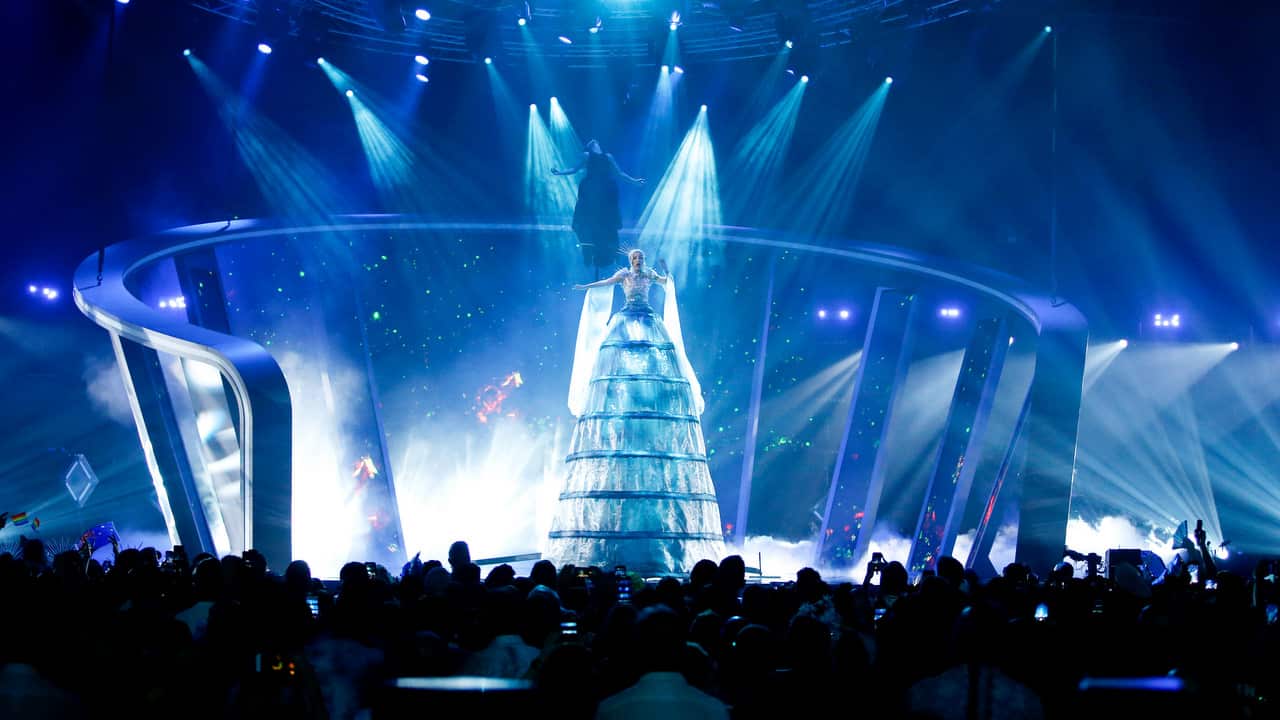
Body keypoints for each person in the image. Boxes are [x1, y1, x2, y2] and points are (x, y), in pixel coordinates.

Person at [548, 249, 724, 576]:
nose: (639, 262)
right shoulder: (624, 275)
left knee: (656, 373)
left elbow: (665, 282)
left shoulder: (646, 277)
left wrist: (666, 273)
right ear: (631, 259)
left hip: (648, 322)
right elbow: (605, 282)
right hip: (625, 322)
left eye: (641, 258)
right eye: (636, 258)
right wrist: (586, 287)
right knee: (615, 374)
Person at [551, 139, 645, 273]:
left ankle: (609, 252)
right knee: (591, 215)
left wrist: (634, 181)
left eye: (596, 142)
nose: (595, 142)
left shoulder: (608, 157)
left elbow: (619, 173)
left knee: (605, 217)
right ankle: (590, 250)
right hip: (591, 188)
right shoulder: (587, 155)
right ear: (590, 147)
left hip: (606, 188)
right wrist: (560, 172)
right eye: (592, 143)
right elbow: (574, 169)